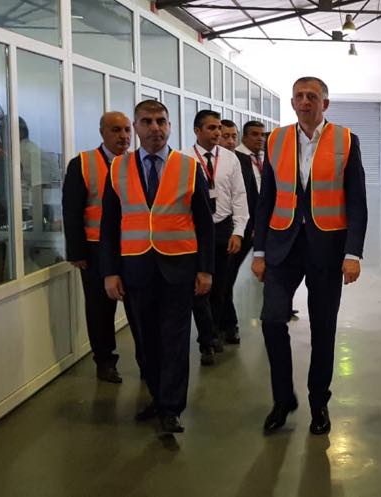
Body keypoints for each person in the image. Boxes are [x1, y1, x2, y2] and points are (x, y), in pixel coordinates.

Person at [252, 76, 367, 436]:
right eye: (299, 96)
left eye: (312, 96)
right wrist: (259, 250)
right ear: (292, 102)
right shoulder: (275, 140)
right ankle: (283, 398)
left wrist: (353, 253)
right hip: (282, 245)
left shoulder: (346, 140)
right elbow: (266, 198)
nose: (305, 102)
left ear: (324, 104)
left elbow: (357, 201)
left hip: (327, 247)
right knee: (272, 320)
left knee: (323, 327)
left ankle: (319, 402)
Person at [100, 100, 215, 434]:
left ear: (170, 126)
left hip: (179, 267)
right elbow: (109, 225)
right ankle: (157, 395)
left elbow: (204, 223)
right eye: (147, 122)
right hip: (135, 268)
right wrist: (110, 272)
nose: (155, 128)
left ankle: (171, 407)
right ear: (136, 127)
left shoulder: (188, 167)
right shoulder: (118, 168)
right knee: (145, 340)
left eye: (161, 121)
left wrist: (206, 269)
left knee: (175, 339)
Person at [62, 111, 135, 383]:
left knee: (138, 306)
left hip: (132, 246)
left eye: (127, 130)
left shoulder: (137, 163)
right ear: (102, 132)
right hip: (95, 250)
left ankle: (147, 359)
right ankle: (104, 361)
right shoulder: (82, 163)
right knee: (99, 308)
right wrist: (77, 251)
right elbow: (71, 210)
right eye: (116, 130)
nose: (123, 136)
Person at [184, 110, 249, 366]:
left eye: (219, 128)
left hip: (223, 229)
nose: (218, 133)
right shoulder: (184, 159)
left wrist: (238, 232)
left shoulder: (230, 159)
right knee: (199, 288)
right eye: (211, 128)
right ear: (197, 130)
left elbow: (239, 196)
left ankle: (215, 331)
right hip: (194, 231)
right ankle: (206, 341)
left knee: (220, 288)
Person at [227, 120, 265, 343]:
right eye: (255, 134)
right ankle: (226, 324)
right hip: (239, 229)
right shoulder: (238, 159)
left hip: (258, 227)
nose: (260, 138)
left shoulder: (260, 158)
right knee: (227, 277)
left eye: (262, 135)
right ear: (245, 137)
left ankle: (279, 308)